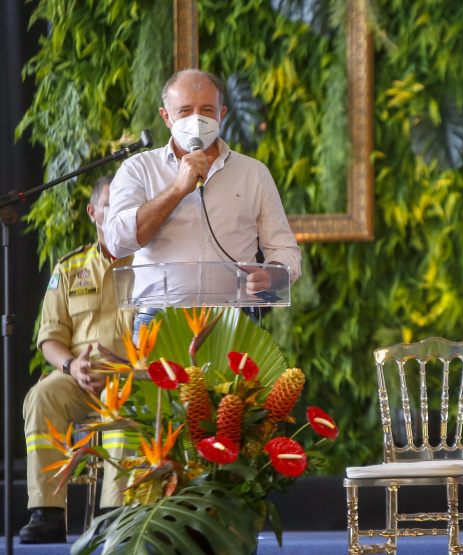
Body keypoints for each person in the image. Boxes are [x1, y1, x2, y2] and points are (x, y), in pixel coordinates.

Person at [103, 69, 302, 327]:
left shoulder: (253, 173)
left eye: (207, 110)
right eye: (185, 111)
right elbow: (117, 242)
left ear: (221, 114)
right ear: (166, 117)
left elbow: (285, 249)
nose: (196, 119)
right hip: (159, 323)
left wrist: (271, 275)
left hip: (234, 321)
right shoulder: (138, 169)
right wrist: (177, 190)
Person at [20, 176, 135, 543]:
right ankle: (48, 512)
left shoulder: (151, 268)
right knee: (41, 396)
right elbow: (50, 339)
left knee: (123, 399)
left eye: (126, 207)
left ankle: (116, 514)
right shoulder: (69, 269)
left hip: (132, 378)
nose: (118, 214)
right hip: (77, 378)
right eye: (109, 206)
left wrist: (125, 368)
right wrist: (72, 366)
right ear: (93, 213)